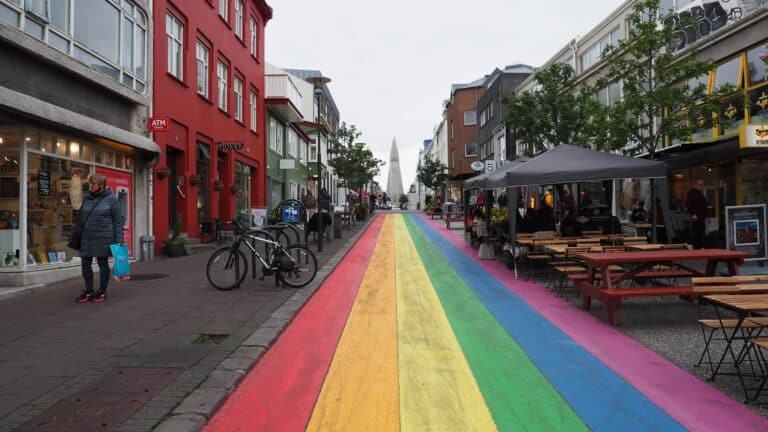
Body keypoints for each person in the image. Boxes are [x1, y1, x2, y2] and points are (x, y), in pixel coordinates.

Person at [76, 174, 123, 303]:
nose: (90, 186)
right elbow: (81, 217)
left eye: (93, 184)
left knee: (102, 263)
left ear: (101, 185)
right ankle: (89, 290)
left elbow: (118, 221)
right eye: (90, 184)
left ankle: (102, 290)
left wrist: (119, 239)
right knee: (85, 263)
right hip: (87, 237)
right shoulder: (87, 199)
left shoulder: (112, 199)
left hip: (104, 237)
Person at [686, 179, 709, 249]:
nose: (702, 186)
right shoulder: (692, 193)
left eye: (702, 185)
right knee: (696, 231)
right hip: (697, 216)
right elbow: (688, 204)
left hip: (701, 216)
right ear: (696, 185)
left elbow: (704, 205)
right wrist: (693, 214)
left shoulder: (700, 193)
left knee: (700, 231)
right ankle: (693, 244)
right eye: (700, 185)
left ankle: (699, 246)